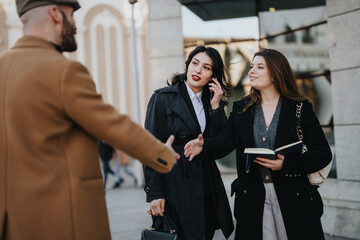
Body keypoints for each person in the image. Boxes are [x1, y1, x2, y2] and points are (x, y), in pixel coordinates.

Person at [0, 0, 179, 239]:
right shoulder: (64, 71)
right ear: (55, 14)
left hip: (14, 222)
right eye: (71, 15)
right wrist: (163, 154)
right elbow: (113, 125)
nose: (74, 24)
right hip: (62, 218)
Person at [184, 48, 332, 240]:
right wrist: (204, 146)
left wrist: (286, 164)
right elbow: (224, 143)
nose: (252, 71)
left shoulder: (300, 108)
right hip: (252, 200)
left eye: (260, 67)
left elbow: (322, 153)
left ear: (276, 73)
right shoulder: (241, 108)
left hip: (295, 198)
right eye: (252, 66)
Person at [143, 46, 234, 240]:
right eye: (195, 63)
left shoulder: (213, 102)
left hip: (206, 188)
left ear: (213, 76)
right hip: (175, 186)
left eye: (206, 67)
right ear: (188, 65)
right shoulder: (162, 99)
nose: (198, 70)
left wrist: (217, 107)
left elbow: (221, 146)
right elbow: (150, 148)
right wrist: (154, 193)